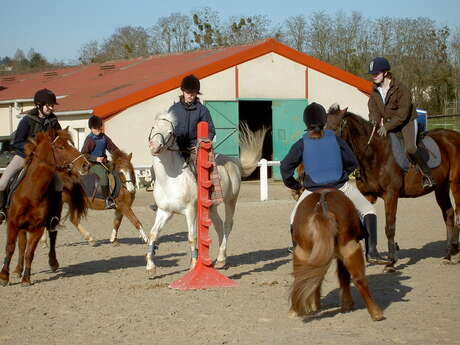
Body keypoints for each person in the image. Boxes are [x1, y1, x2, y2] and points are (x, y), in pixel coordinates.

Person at [280, 102, 388, 264]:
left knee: (294, 217)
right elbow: (352, 162)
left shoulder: (301, 143)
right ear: (324, 121)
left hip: (313, 190)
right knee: (368, 210)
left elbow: (285, 167)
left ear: (306, 123)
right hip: (340, 186)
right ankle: (372, 251)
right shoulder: (335, 140)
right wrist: (342, 173)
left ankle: (298, 249)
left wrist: (295, 185)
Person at [150, 74, 218, 210]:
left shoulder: (202, 110)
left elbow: (210, 131)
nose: (190, 96)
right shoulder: (173, 109)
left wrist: (200, 144)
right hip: (175, 147)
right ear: (183, 92)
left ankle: (207, 197)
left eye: (193, 93)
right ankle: (160, 200)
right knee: (156, 166)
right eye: (188, 93)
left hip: (193, 148)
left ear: (196, 93)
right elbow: (166, 128)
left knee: (204, 168)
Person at [367, 57, 435, 188]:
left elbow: (403, 114)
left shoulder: (401, 88)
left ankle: (428, 176)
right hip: (388, 124)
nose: (373, 76)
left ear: (385, 73)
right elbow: (373, 107)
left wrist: (387, 126)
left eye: (376, 73)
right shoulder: (375, 90)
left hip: (406, 122)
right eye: (372, 74)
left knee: (410, 148)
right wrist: (374, 119)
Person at [0, 88, 62, 226]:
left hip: (45, 161)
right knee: (2, 182)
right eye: (49, 105)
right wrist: (33, 150)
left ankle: (53, 216)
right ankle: (2, 210)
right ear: (39, 105)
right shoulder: (27, 121)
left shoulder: (53, 121)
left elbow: (59, 138)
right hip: (24, 156)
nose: (51, 108)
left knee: (59, 184)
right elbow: (17, 142)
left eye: (52, 105)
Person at [81, 116, 119, 209]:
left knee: (118, 171)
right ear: (91, 128)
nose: (98, 130)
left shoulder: (104, 137)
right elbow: (83, 154)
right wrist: (95, 158)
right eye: (95, 128)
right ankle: (107, 200)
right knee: (104, 176)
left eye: (99, 127)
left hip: (104, 162)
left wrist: (119, 155)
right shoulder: (90, 139)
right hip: (93, 164)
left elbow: (113, 148)